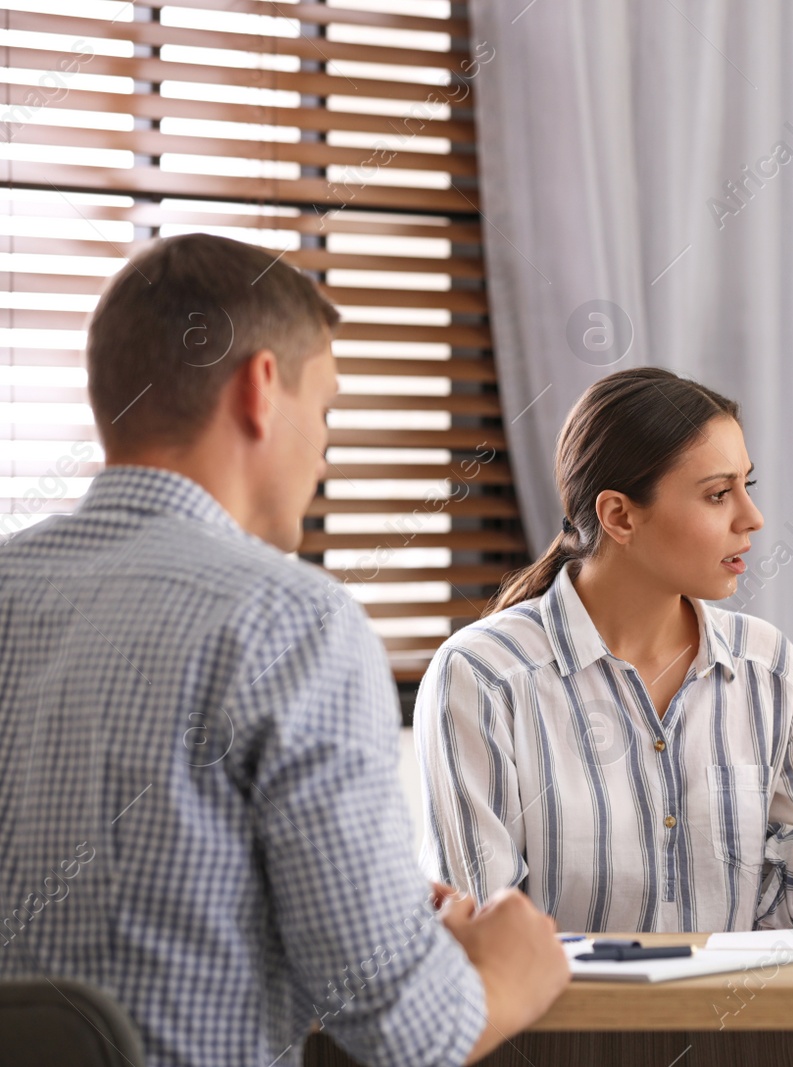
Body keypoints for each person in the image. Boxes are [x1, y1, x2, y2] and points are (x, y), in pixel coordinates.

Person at [0, 234, 567, 1066]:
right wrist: (511, 968)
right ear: (262, 388)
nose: (326, 450)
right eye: (328, 407)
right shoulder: (291, 621)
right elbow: (408, 1033)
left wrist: (379, 906)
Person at [415, 367, 793, 932]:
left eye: (747, 485)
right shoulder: (482, 676)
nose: (753, 517)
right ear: (620, 517)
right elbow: (479, 931)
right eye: (717, 494)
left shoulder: (769, 666)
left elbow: (775, 909)